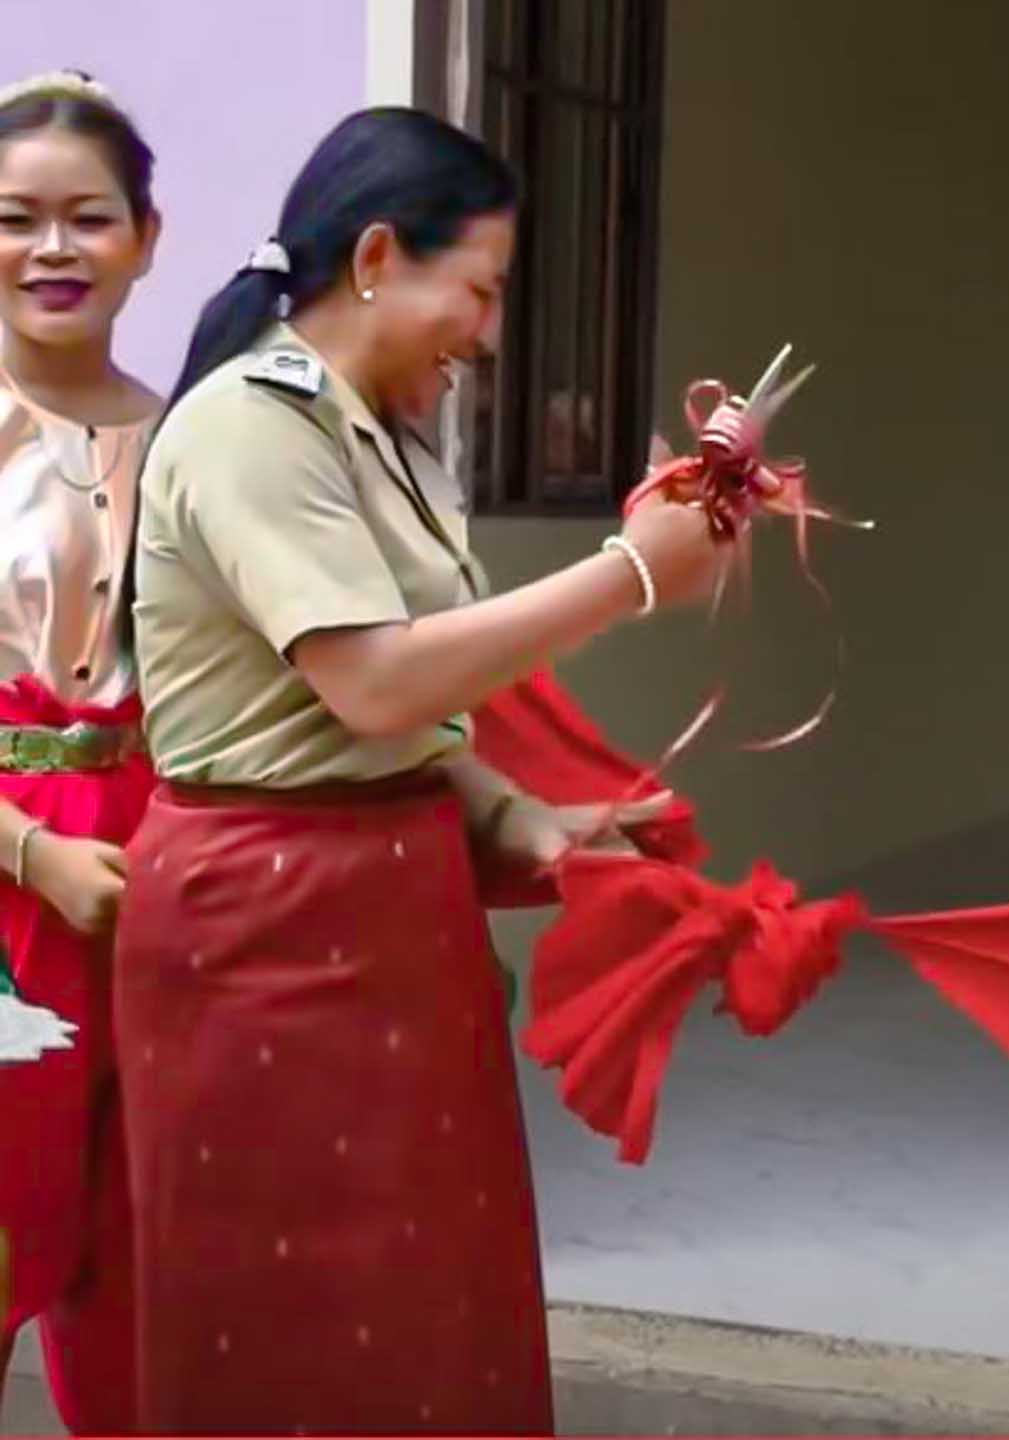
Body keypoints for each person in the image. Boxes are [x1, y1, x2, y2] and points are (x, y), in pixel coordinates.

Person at [115, 106, 743, 1434]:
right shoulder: (250, 427)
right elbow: (378, 679)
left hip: (380, 918)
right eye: (481, 289)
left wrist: (530, 820)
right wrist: (631, 573)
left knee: (426, 1314)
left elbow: (396, 729)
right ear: (379, 256)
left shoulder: (380, 441)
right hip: (262, 934)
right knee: (285, 1325)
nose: (489, 331)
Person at [0, 68, 160, 1436]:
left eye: (88, 218)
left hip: (163, 870)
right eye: (16, 218)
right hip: (12, 873)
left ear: (145, 238)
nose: (54, 250)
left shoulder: (197, 440)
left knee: (146, 1246)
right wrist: (32, 851)